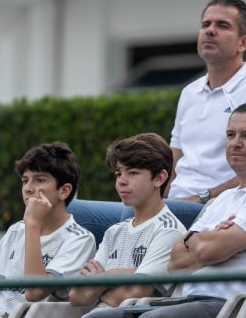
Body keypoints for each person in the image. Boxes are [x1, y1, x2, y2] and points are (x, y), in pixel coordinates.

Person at [68, 0, 246, 244]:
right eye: (205, 25)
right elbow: (174, 157)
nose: (210, 31)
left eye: (222, 26)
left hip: (216, 208)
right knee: (64, 211)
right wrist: (156, 194)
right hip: (171, 204)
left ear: (243, 42)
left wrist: (202, 196)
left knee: (84, 214)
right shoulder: (190, 92)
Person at [85, 102, 246, 318]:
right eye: (230, 135)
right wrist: (212, 241)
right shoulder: (224, 199)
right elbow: (176, 264)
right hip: (187, 301)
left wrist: (198, 242)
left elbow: (206, 251)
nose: (235, 143)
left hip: (235, 307)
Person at [0, 143, 96, 318]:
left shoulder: (79, 240)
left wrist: (33, 224)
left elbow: (34, 292)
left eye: (39, 180)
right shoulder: (16, 230)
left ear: (64, 191)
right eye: (25, 180)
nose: (28, 188)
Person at [69, 133, 186, 317]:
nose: (121, 181)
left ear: (159, 178)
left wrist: (108, 276)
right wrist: (129, 275)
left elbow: (136, 293)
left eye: (132, 173)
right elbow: (77, 297)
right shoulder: (114, 231)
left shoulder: (168, 230)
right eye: (118, 173)